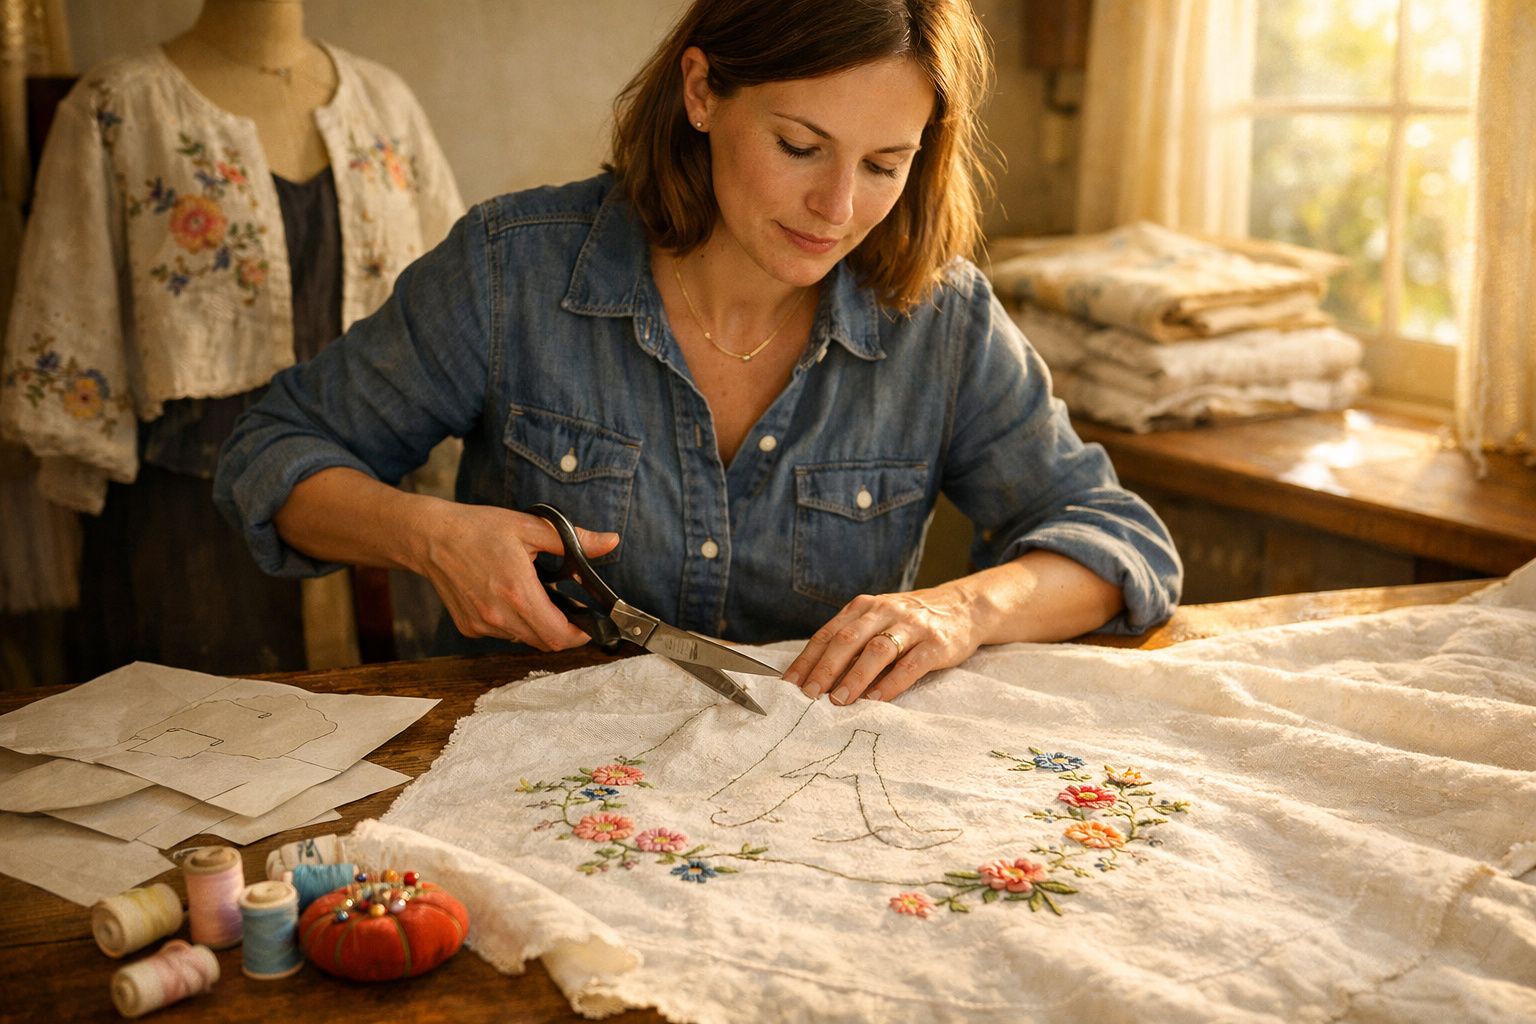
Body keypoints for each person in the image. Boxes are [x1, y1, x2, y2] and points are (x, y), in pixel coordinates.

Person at [214, 0, 1182, 706]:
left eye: (885, 164)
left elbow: (1117, 542)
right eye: (800, 146)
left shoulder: (942, 317)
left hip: (808, 798)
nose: (838, 207)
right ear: (702, 90)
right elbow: (269, 455)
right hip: (519, 775)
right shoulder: (513, 270)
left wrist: (961, 611)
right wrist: (431, 537)